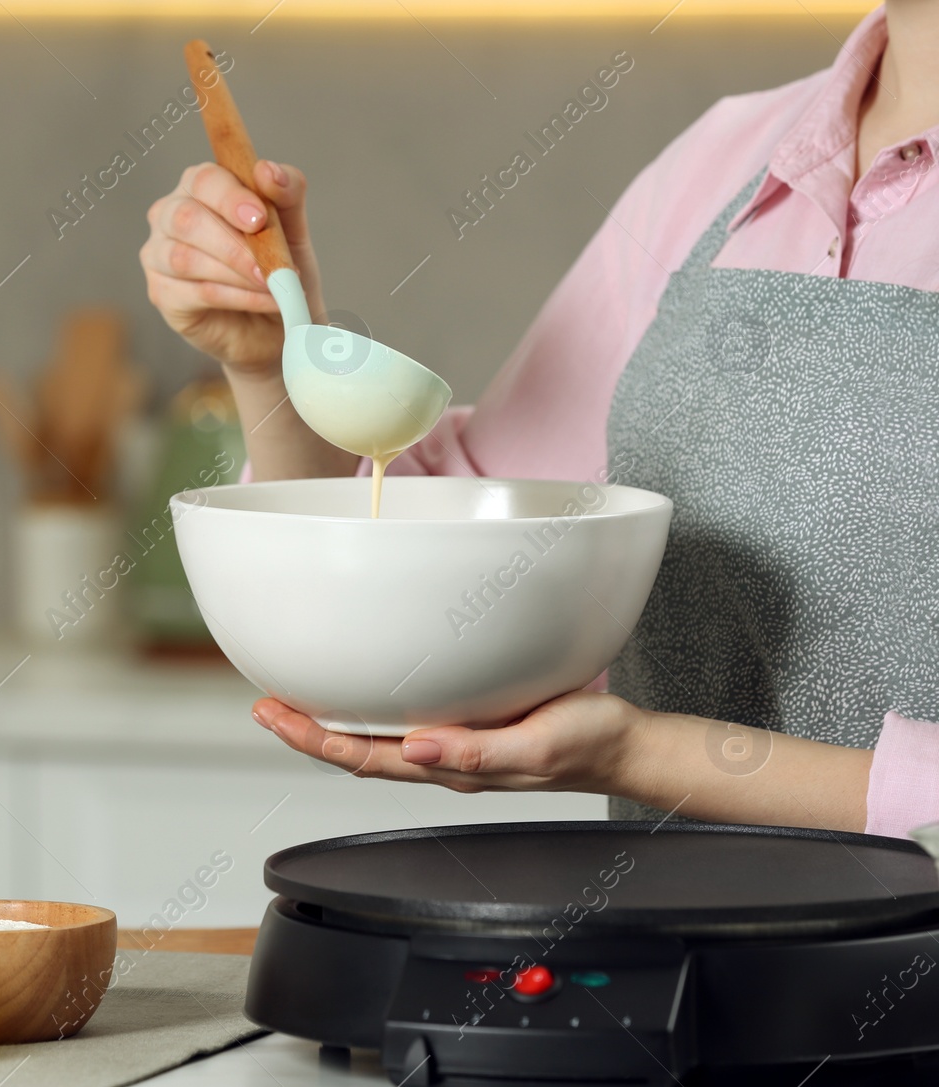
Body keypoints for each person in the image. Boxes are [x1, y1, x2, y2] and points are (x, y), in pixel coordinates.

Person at [139, 3, 939, 839]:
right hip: (678, 949)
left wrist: (640, 755)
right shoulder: (729, 155)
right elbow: (457, 557)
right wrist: (273, 361)